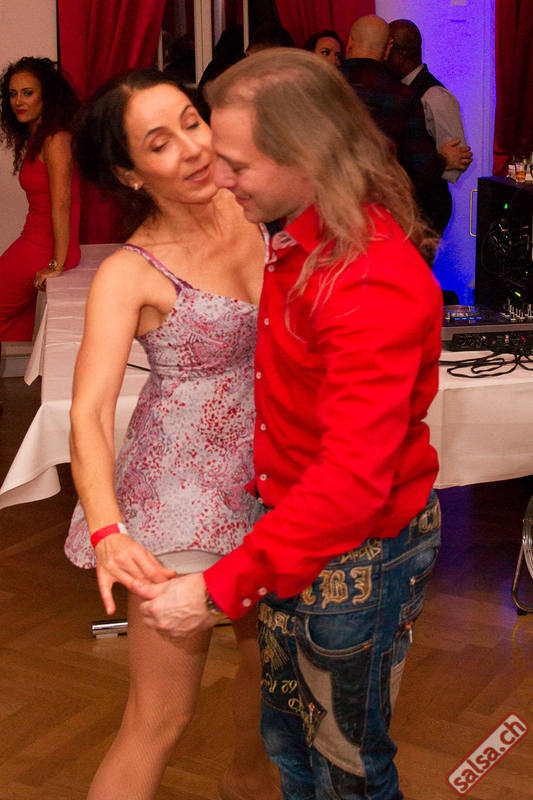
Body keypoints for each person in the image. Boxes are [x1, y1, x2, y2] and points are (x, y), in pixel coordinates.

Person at [132, 49, 443, 800]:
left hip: (356, 555)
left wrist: (214, 590)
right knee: (289, 745)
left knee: (345, 770)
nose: (218, 176)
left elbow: (350, 484)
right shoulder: (298, 236)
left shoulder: (366, 280)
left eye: (237, 163)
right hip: (298, 537)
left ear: (305, 155)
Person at [64, 69, 280, 800]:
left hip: (272, 483)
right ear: (130, 173)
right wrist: (107, 530)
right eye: (159, 143)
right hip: (178, 496)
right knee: (159, 717)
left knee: (269, 675)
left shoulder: (256, 205)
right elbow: (88, 413)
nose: (192, 148)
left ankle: (247, 781)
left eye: (192, 121)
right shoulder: (130, 270)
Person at [341, 15, 470, 236]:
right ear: (385, 50)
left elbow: (459, 160)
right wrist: (442, 159)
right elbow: (420, 166)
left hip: (416, 210)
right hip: (391, 211)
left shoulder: (434, 95)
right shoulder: (401, 95)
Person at [0, 56, 80, 348]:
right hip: (36, 243)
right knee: (15, 321)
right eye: (13, 94)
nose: (18, 101)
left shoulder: (55, 139)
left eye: (28, 93)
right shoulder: (39, 136)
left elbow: (62, 203)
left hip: (44, 248)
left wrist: (57, 264)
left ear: (47, 95)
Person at [387, 18, 472, 234]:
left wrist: (436, 161)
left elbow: (458, 160)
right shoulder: (394, 90)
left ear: (399, 54)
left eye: (387, 49)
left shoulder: (435, 95)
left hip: (427, 208)